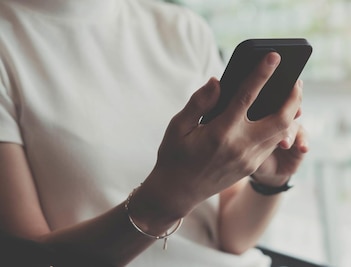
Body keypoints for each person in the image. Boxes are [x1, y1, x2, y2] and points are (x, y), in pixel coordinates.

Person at [0, 0, 308, 266]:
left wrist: (269, 181)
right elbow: (30, 260)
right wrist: (168, 197)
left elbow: (232, 237)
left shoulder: (183, 29)